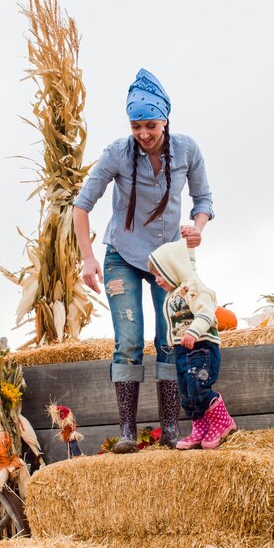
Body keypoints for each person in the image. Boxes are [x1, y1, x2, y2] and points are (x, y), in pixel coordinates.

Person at [73, 68, 214, 453]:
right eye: (137, 126)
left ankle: (170, 429)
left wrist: (197, 227)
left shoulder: (187, 150)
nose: (144, 133)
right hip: (122, 257)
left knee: (169, 337)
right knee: (129, 339)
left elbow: (204, 201)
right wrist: (88, 259)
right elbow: (81, 206)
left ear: (165, 120)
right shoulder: (117, 154)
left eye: (150, 124)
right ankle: (127, 434)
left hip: (167, 260)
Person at [148, 238, 237, 449]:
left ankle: (223, 422)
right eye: (154, 276)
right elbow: (187, 263)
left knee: (199, 387)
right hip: (182, 349)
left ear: (172, 269)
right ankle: (201, 429)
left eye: (159, 274)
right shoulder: (175, 292)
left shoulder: (191, 286)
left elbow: (206, 312)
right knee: (186, 393)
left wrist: (193, 332)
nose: (157, 280)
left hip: (200, 347)